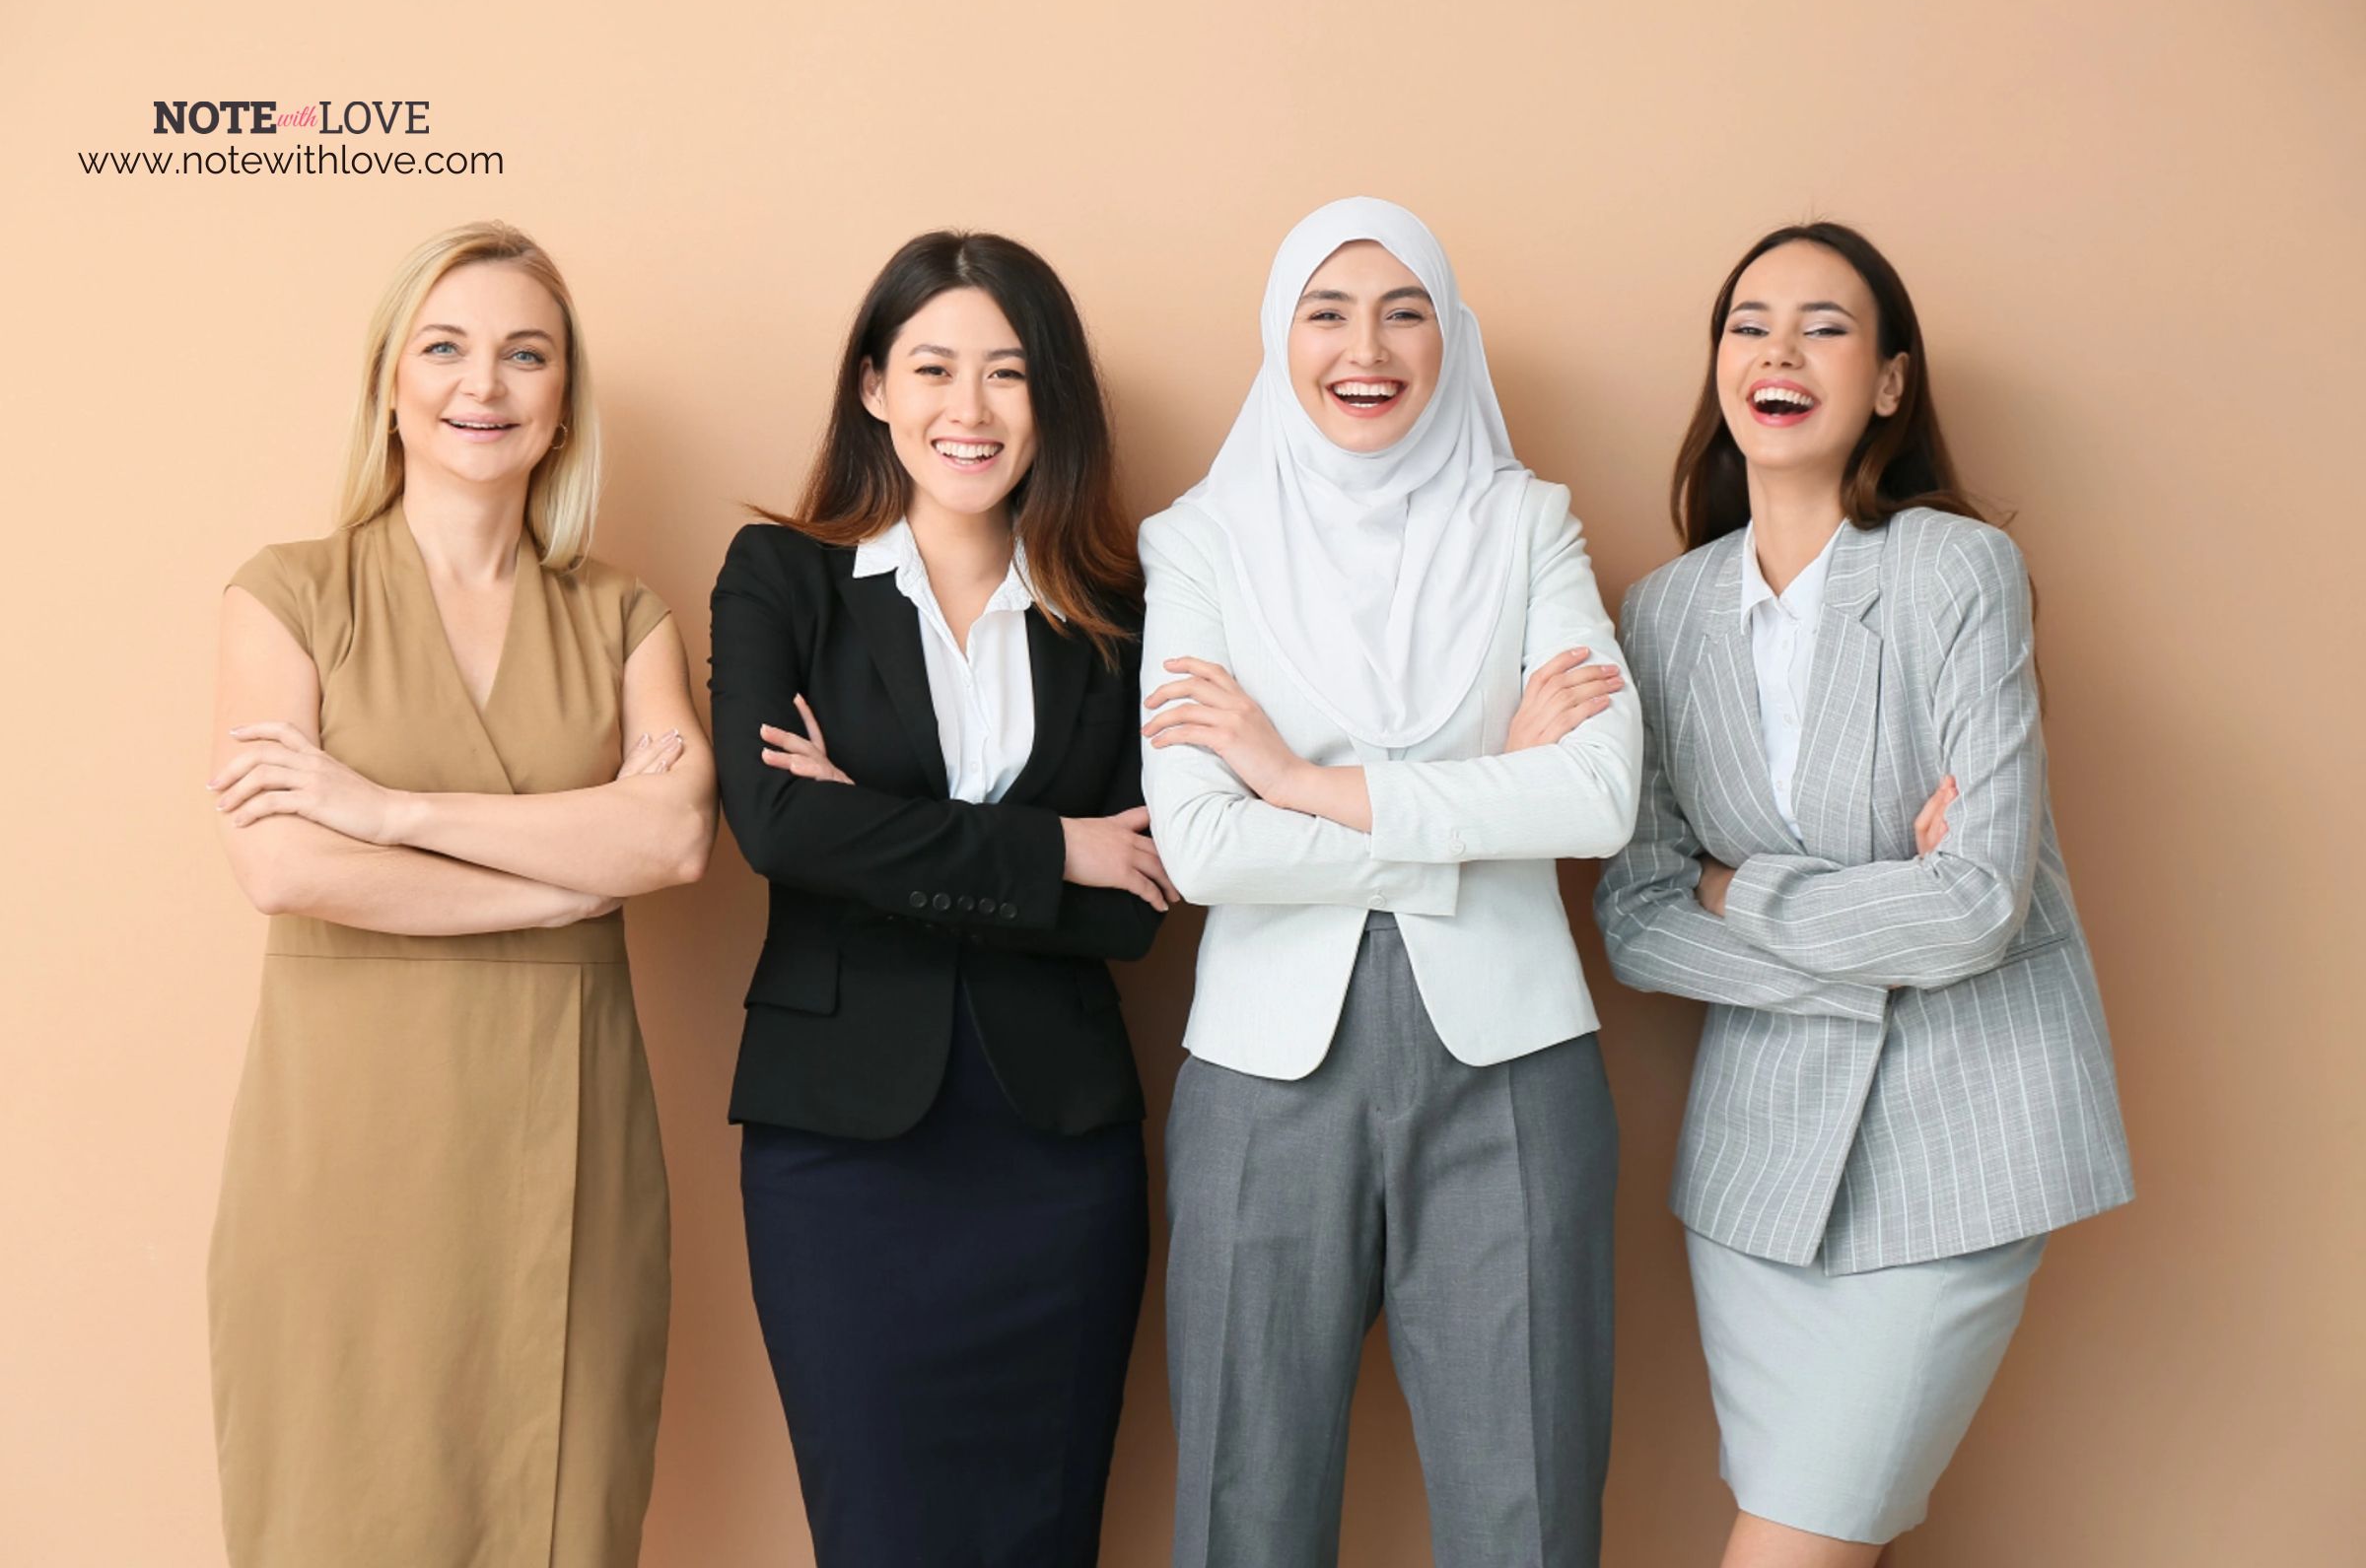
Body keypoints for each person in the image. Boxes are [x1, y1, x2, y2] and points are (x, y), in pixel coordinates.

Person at [1594, 222, 2134, 1566]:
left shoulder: (1959, 572)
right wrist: (1863, 900)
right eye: (1749, 324)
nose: (1779, 351)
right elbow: (1637, 920)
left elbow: (1975, 911)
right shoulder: (1661, 615)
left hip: (1963, 1138)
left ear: (1890, 383)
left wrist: (1740, 890)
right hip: (1760, 1174)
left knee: (1795, 1549)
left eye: (1825, 327)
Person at [204, 220, 714, 1567]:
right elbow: (282, 865)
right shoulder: (287, 596)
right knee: (334, 1506)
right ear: (389, 380)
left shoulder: (624, 616)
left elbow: (669, 846)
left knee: (562, 1511)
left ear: (561, 403)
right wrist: (559, 879)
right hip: (345, 1147)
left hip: (570, 1137)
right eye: (444, 347)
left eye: (523, 355)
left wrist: (393, 814)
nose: (480, 384)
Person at [1139, 197, 1639, 1568]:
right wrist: (1482, 792)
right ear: (1278, 337)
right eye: (1328, 311)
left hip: (1514, 1066)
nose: (1368, 348)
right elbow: (1201, 844)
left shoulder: (1528, 522)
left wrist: (1300, 782)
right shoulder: (1199, 541)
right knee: (1246, 1509)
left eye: (1404, 309)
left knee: (1527, 1515)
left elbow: (1596, 794)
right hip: (1259, 1074)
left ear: (1450, 333)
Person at [710, 230, 1168, 1567]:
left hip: (1058, 1156)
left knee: (1047, 1532)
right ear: (873, 388)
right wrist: (1044, 853)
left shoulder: (1118, 612)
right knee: (879, 1532)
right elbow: (779, 827)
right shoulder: (781, 578)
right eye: (932, 368)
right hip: (840, 1155)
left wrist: (881, 828)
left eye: (1008, 374)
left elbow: (1135, 899)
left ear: (1052, 401)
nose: (968, 411)